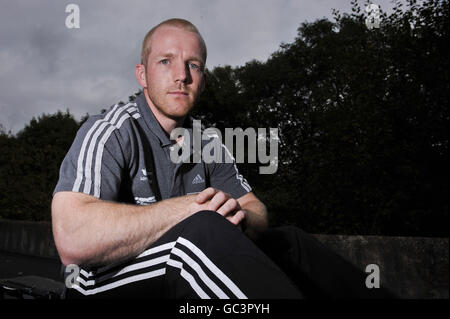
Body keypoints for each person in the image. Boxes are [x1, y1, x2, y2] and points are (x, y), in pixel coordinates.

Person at [52, 18, 394, 299]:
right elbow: (72, 240)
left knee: (289, 241)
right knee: (199, 230)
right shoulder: (112, 130)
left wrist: (237, 215)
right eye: (166, 61)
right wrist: (191, 209)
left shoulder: (209, 141)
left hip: (179, 269)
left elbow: (257, 210)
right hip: (99, 286)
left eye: (193, 65)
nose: (181, 75)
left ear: (202, 79)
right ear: (142, 74)